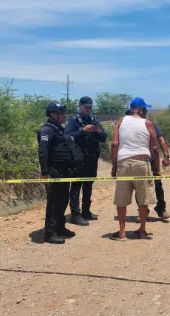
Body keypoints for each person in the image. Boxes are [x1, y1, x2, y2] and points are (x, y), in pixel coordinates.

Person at [111, 97, 160, 241]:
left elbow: (115, 144)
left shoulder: (120, 122)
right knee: (143, 198)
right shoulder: (148, 124)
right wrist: (156, 168)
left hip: (124, 163)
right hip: (142, 163)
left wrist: (114, 167)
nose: (146, 111)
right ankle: (142, 230)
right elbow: (155, 149)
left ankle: (121, 233)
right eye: (145, 108)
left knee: (122, 199)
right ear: (140, 109)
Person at [38, 102, 83, 244]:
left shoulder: (59, 130)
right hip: (55, 173)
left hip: (65, 172)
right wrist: (45, 173)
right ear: (53, 114)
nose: (64, 116)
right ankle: (50, 233)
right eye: (61, 113)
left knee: (63, 201)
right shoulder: (47, 130)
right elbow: (43, 152)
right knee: (54, 203)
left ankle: (60, 227)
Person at [65, 96, 107, 225]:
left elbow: (104, 138)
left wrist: (98, 131)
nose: (88, 109)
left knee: (88, 186)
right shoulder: (74, 120)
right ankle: (75, 215)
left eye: (90, 107)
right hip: (78, 159)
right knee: (76, 187)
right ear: (80, 106)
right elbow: (67, 136)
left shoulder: (94, 120)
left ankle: (86, 211)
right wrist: (83, 130)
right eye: (86, 107)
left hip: (91, 159)